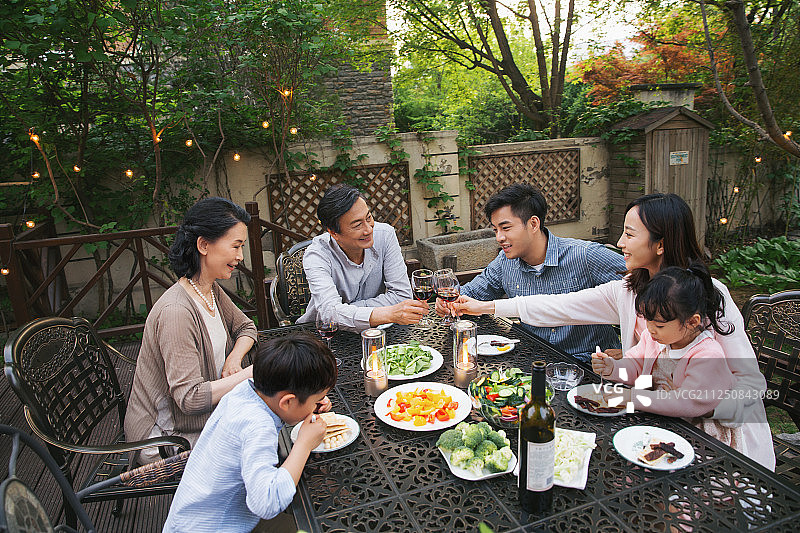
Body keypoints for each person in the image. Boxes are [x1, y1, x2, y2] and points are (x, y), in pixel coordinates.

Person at [453, 193, 775, 470]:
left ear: (660, 244)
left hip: (723, 451)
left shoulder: (708, 295)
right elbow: (557, 306)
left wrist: (694, 404)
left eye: (629, 235)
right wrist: (486, 307)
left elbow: (751, 384)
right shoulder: (629, 290)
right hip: (646, 428)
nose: (620, 243)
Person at [125, 197, 262, 464]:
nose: (240, 256)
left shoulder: (207, 289)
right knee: (267, 435)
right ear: (203, 245)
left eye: (241, 246)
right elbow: (189, 399)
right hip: (167, 438)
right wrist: (252, 373)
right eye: (235, 246)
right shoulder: (177, 312)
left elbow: (246, 327)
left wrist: (234, 359)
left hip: (204, 416)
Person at [163, 333, 337, 533]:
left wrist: (308, 406)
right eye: (318, 399)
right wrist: (304, 444)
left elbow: (282, 408)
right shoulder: (258, 426)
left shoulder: (244, 392)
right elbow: (267, 503)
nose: (319, 403)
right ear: (287, 401)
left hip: (189, 517)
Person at [437, 183, 626, 361]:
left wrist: (632, 349)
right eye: (495, 230)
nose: (499, 237)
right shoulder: (505, 263)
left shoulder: (584, 255)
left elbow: (648, 288)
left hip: (591, 366)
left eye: (506, 228)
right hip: (532, 361)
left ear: (534, 224)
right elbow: (472, 293)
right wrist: (449, 303)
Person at [593, 263, 760, 456]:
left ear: (692, 322)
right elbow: (636, 369)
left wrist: (631, 399)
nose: (651, 329)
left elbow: (685, 402)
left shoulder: (707, 356)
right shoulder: (655, 338)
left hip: (701, 437)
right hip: (664, 423)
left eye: (659, 324)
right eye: (647, 320)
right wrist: (612, 368)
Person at [298, 184, 428, 330]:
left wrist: (347, 311)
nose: (368, 229)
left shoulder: (385, 235)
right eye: (357, 225)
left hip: (377, 331)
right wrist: (388, 313)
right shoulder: (317, 255)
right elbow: (330, 316)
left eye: (369, 218)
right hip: (325, 335)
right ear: (333, 232)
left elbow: (402, 296)